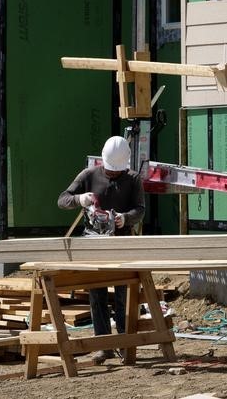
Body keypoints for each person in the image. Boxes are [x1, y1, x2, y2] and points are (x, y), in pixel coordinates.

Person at [57, 135, 145, 364]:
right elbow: (62, 200)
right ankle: (103, 344)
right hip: (93, 243)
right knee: (97, 294)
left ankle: (125, 344)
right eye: (110, 170)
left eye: (117, 171)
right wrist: (79, 199)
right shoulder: (88, 175)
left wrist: (125, 219)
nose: (113, 173)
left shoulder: (133, 179)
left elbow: (140, 209)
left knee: (123, 295)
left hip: (122, 243)